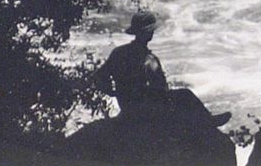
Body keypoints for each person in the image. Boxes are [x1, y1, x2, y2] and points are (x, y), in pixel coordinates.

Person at [94, 10, 230, 126]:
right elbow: (161, 91)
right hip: (145, 111)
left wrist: (114, 93)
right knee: (185, 94)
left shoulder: (118, 52)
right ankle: (208, 120)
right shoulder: (149, 60)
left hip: (126, 107)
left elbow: (99, 77)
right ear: (149, 33)